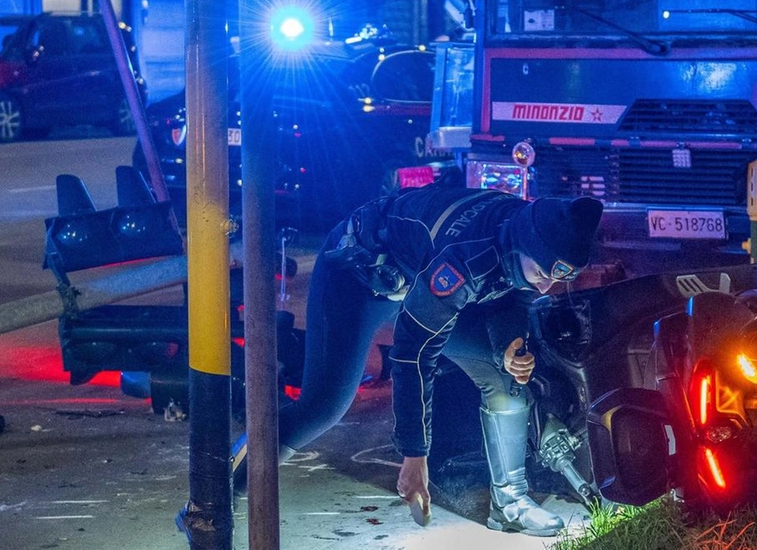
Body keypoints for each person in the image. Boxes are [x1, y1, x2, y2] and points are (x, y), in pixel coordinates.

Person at [231, 186, 604, 536]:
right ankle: (219, 492)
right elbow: (411, 353)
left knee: (504, 371)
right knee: (324, 406)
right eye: (541, 274)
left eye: (556, 280)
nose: (545, 287)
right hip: (361, 276)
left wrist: (509, 344)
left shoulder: (523, 233)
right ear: (521, 246)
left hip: (416, 280)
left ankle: (510, 504)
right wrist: (414, 455)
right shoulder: (466, 259)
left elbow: (517, 292)